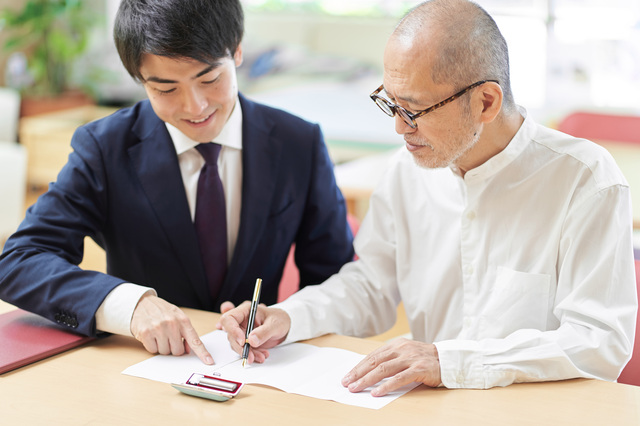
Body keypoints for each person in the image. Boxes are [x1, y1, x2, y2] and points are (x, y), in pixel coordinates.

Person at [219, 0, 637, 394]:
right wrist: (290, 316)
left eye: (413, 110)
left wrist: (449, 361)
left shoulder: (585, 180)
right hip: (424, 407)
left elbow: (597, 341)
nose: (399, 129)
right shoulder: (407, 171)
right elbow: (371, 287)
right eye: (391, 103)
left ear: (486, 102)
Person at [0, 0, 354, 366]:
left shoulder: (299, 143)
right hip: (139, 370)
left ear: (237, 51)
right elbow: (19, 261)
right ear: (139, 79)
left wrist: (289, 316)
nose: (195, 106)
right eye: (166, 89)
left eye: (210, 79)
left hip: (259, 370)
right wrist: (129, 305)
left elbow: (338, 281)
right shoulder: (106, 147)